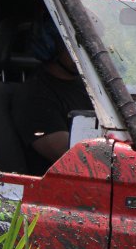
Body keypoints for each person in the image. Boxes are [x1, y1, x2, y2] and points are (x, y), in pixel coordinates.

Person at [11, 17, 92, 175]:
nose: (85, 49)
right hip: (63, 182)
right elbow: (69, 155)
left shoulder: (91, 86)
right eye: (76, 43)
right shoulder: (34, 95)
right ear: (52, 46)